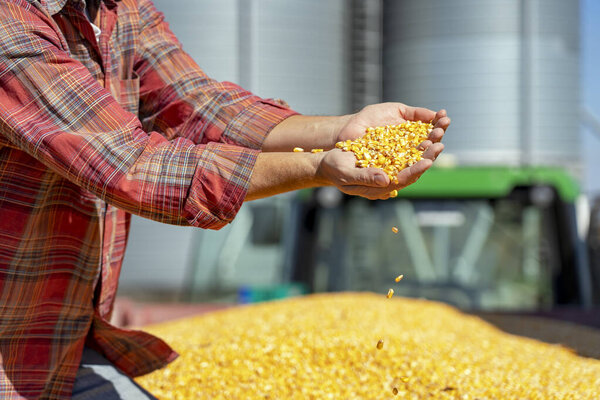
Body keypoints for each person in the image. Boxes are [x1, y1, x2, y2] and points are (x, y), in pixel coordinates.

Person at [0, 0, 450, 398]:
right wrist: (317, 167)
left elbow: (196, 104)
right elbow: (132, 166)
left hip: (57, 346)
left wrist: (341, 131)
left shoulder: (119, 10)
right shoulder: (10, 25)